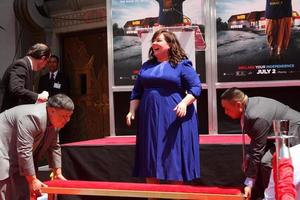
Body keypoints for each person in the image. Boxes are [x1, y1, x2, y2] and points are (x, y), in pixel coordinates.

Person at [126, 29, 201, 185]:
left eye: (159, 40)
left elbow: (196, 88)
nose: (154, 43)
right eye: (153, 40)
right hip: (149, 118)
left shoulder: (182, 64)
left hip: (173, 117)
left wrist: (184, 102)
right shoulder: (146, 66)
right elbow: (136, 92)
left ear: (170, 44)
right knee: (150, 158)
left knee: (173, 158)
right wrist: (131, 111)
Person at [220, 87, 300, 200]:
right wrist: (248, 157)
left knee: (266, 162)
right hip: (277, 136)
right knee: (260, 160)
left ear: (238, 104)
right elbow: (255, 142)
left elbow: (257, 150)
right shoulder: (249, 105)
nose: (225, 112)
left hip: (294, 133)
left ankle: (274, 196)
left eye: (227, 108)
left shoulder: (256, 116)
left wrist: (249, 182)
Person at [0, 93, 74, 200]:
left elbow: (54, 146)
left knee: (24, 191)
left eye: (69, 116)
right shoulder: (34, 117)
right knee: (6, 192)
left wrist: (57, 172)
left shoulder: (55, 120)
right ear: (52, 110)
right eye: (65, 116)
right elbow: (24, 150)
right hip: (3, 150)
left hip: (16, 153)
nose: (68, 120)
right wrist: (33, 180)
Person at [0, 43, 51, 112]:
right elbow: (16, 89)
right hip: (9, 114)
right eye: (47, 62)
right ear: (43, 58)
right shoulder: (21, 65)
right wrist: (38, 97)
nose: (45, 66)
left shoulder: (27, 66)